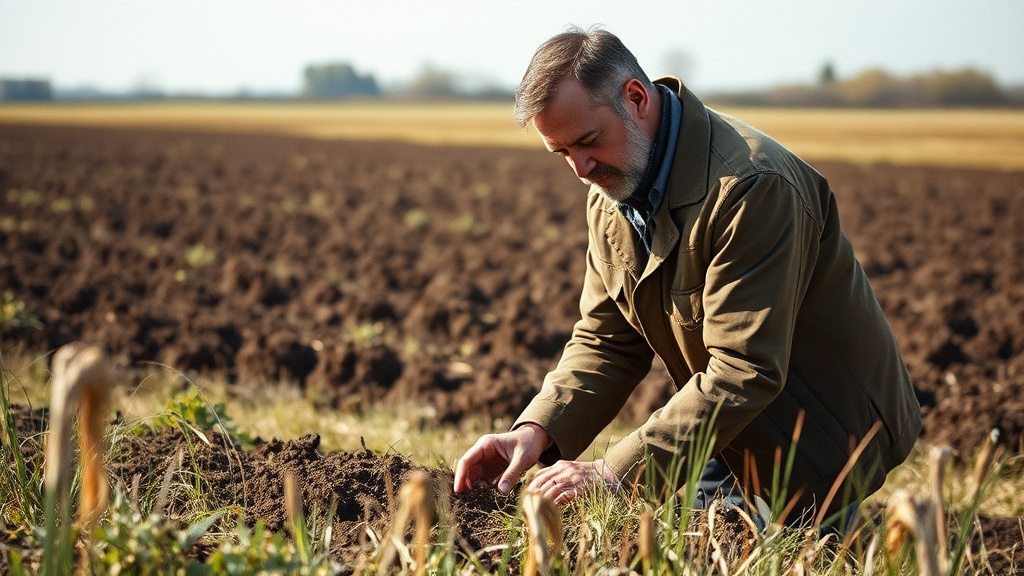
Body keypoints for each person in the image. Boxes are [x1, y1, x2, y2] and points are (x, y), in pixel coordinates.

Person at [453, 26, 922, 530]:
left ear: (636, 98)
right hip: (723, 431)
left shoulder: (751, 188)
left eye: (588, 142)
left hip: (819, 439)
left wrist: (613, 473)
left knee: (803, 556)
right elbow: (607, 340)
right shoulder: (611, 194)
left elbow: (746, 367)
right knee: (695, 549)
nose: (581, 169)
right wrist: (535, 430)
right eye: (562, 153)